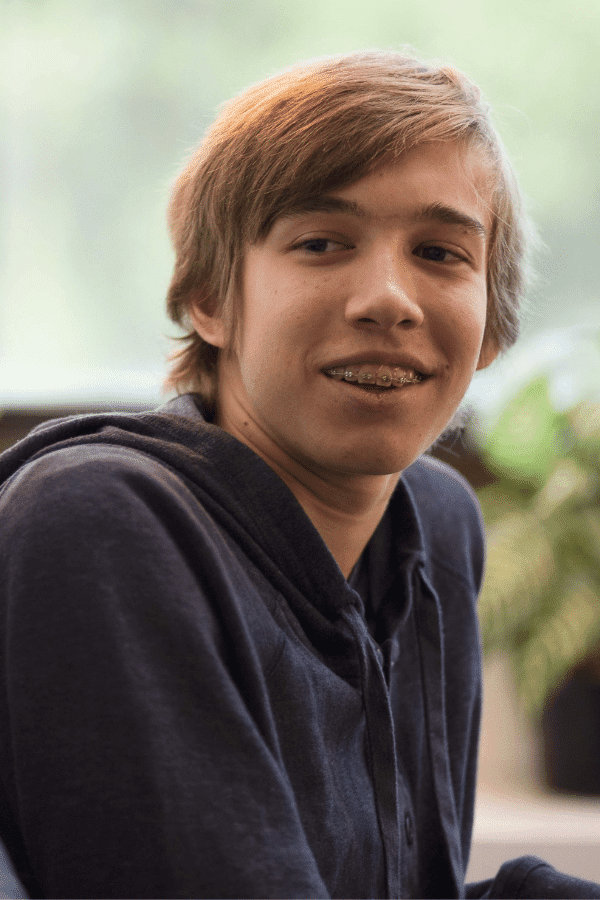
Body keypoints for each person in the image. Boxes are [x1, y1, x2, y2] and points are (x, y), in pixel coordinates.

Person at [0, 50, 598, 900]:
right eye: (321, 243)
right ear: (209, 299)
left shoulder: (435, 523)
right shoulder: (97, 521)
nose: (388, 298)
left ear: (491, 329)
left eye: (439, 251)